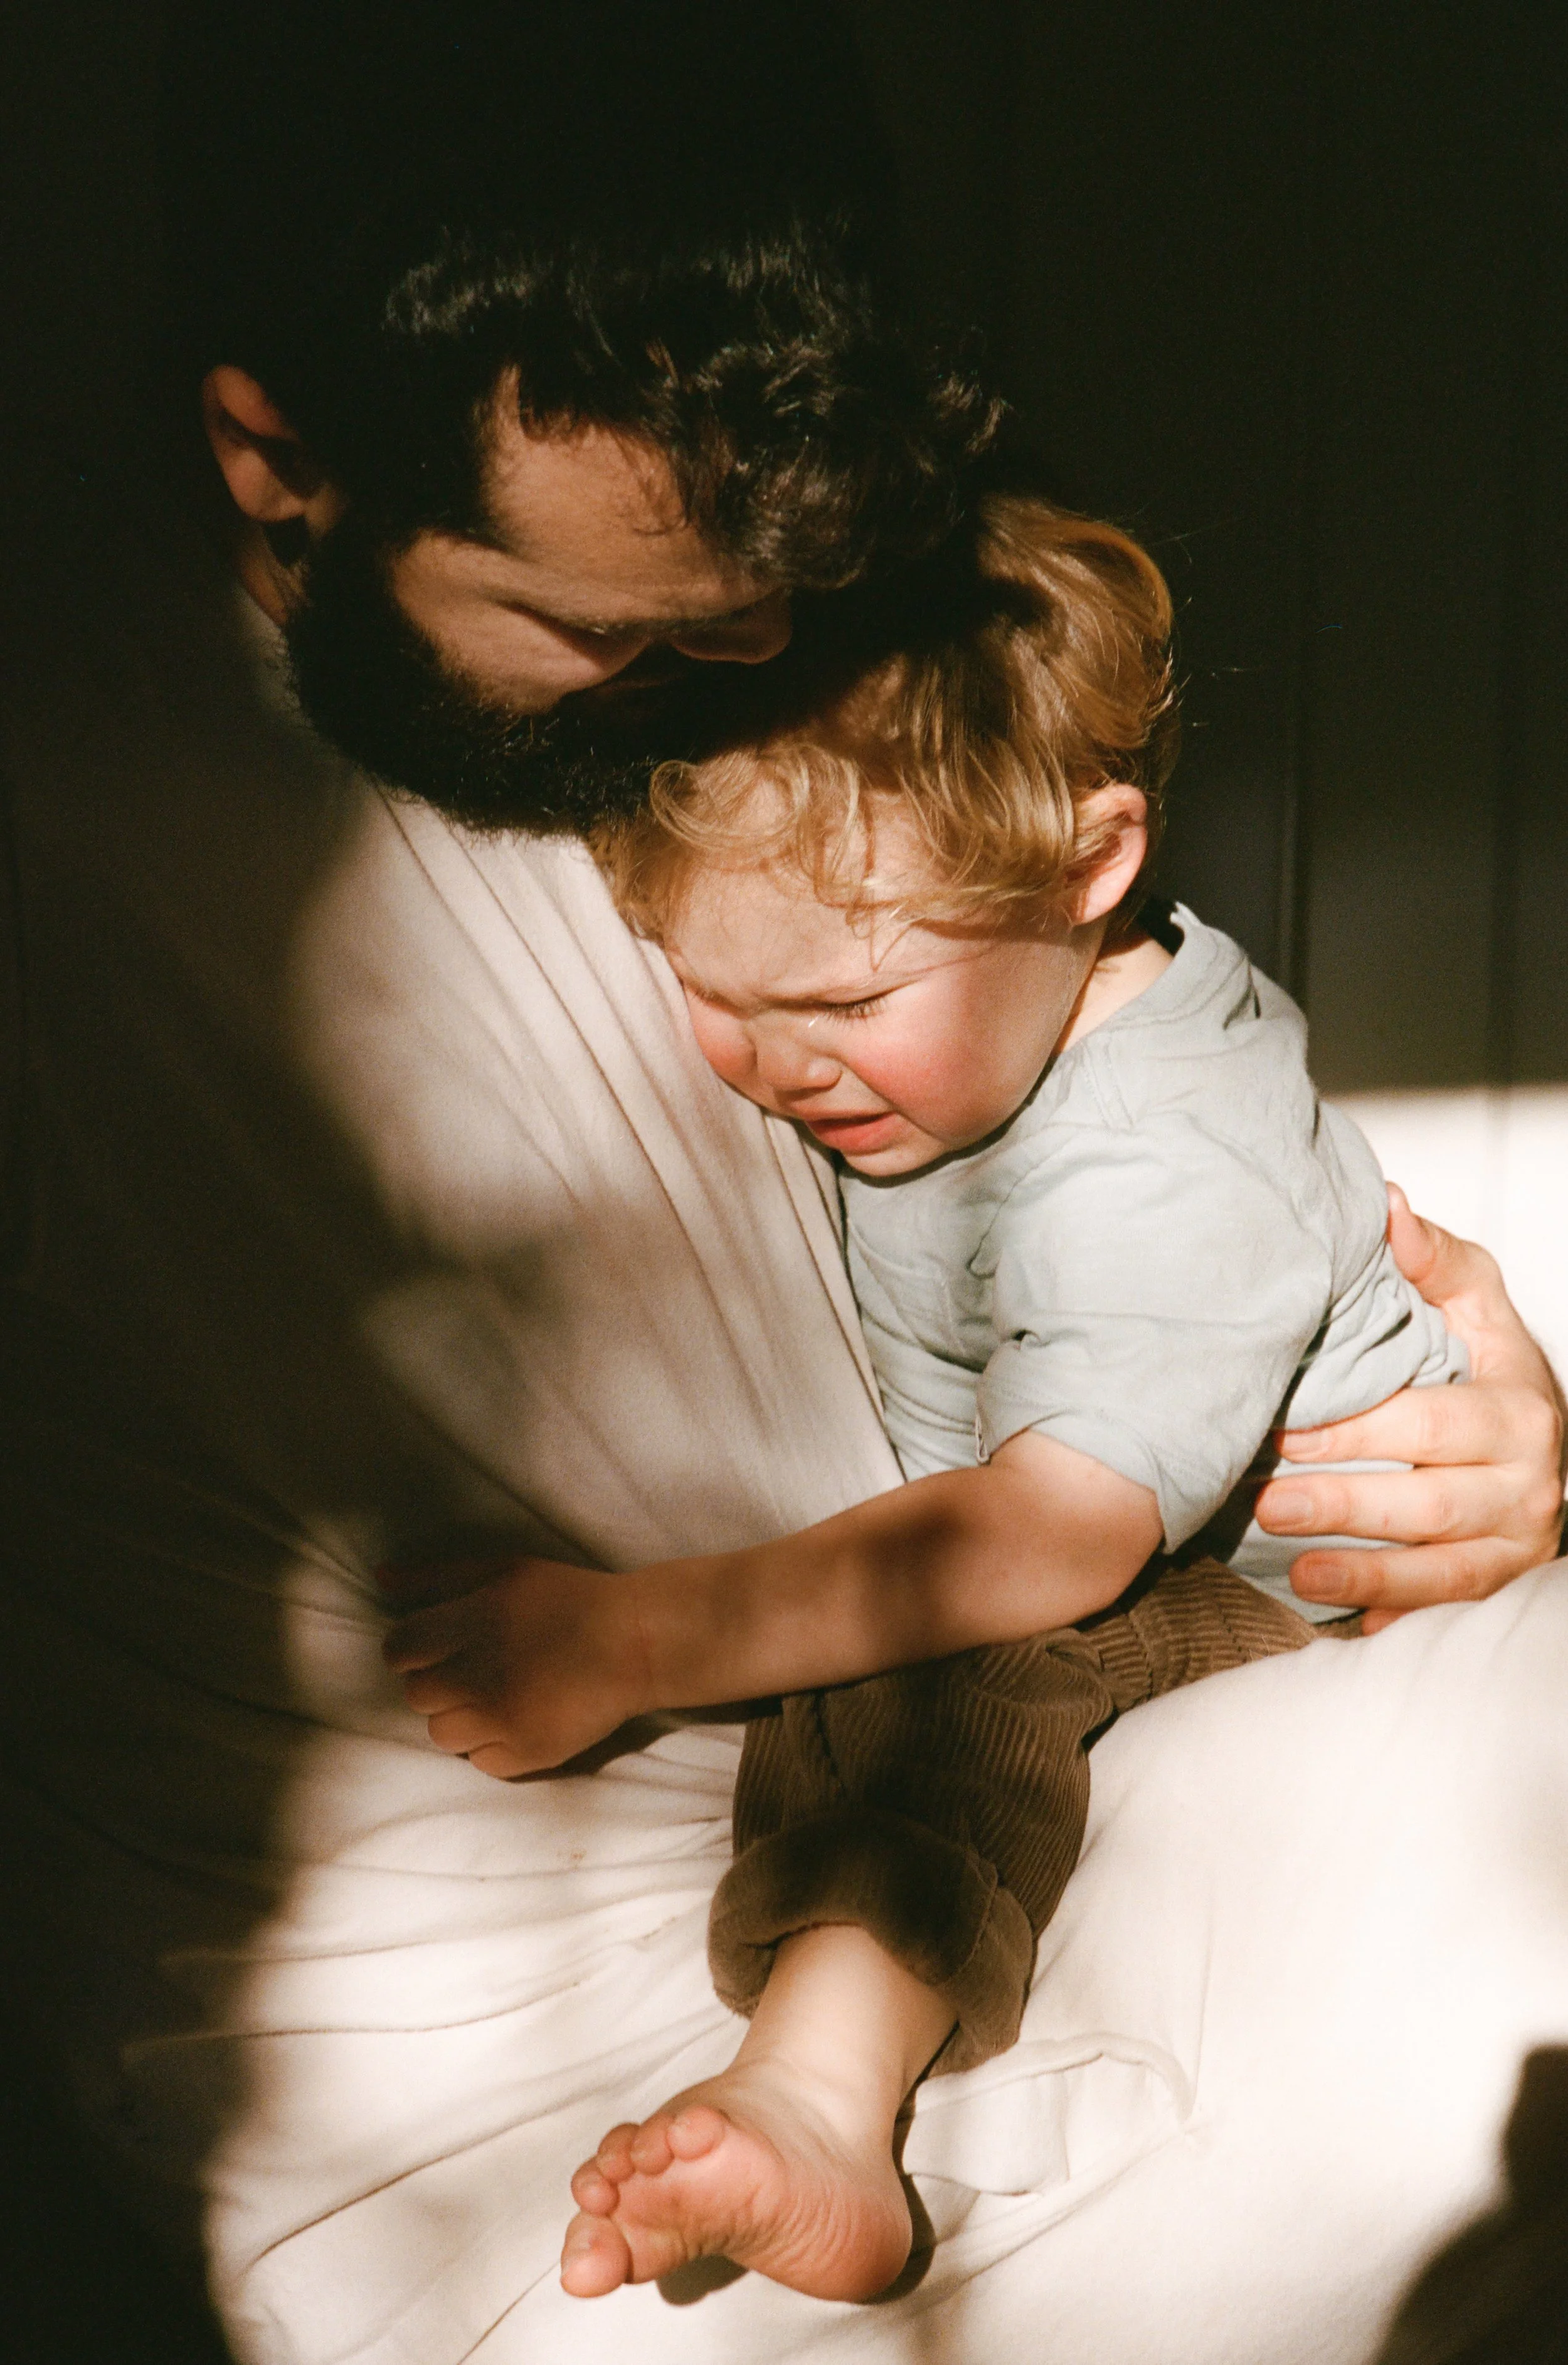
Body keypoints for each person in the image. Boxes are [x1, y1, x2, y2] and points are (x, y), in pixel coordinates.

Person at [1, 4, 1562, 2359]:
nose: (732, 676)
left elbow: (1147, 1135)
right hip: (526, 2048)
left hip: (1041, 1738)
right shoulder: (90, 822)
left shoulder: (812, 609)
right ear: (275, 461)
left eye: (775, 605)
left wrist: (1475, 1426)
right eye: (616, 635)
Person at [382, 493, 1463, 2300]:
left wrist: (628, 1641)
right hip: (1118, 1521)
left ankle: (818, 2107)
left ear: (1084, 862)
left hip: (1298, 1579)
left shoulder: (1168, 1164)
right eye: (713, 999)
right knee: (858, 1634)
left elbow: (1042, 1544)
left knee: (945, 1643)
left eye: (847, 996)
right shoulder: (939, 1026)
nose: (779, 1063)